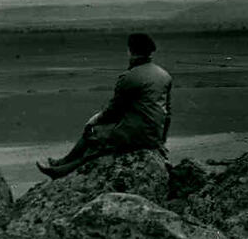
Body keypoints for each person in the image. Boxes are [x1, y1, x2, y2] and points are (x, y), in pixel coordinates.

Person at [36, 33, 172, 179]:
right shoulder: (165, 76)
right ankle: (61, 165)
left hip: (136, 135)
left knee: (93, 133)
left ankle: (61, 168)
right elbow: (167, 113)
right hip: (154, 135)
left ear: (130, 51)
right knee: (101, 140)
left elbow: (113, 111)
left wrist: (96, 119)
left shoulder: (130, 77)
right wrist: (160, 141)